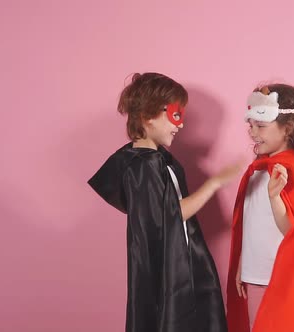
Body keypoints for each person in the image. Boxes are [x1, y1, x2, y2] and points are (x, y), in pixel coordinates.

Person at [88, 72, 240, 332]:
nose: (180, 125)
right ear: (148, 116)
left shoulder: (156, 160)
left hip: (182, 260)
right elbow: (170, 214)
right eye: (175, 115)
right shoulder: (142, 166)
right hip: (168, 270)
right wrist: (213, 184)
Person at [226, 83, 294, 331]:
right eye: (251, 126)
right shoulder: (258, 169)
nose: (253, 133)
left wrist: (275, 198)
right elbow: (250, 223)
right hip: (254, 274)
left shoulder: (293, 171)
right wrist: (242, 262)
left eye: (261, 126)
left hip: (279, 276)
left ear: (287, 128)